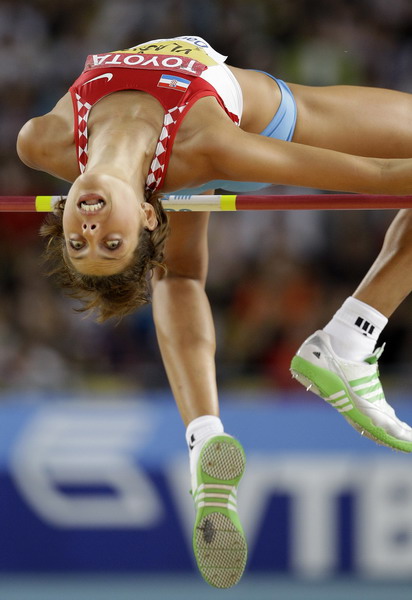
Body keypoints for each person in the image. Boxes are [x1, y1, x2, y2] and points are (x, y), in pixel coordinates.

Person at [16, 35, 412, 587]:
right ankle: (350, 339)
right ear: (150, 219)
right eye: (111, 244)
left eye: (80, 244)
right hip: (259, 129)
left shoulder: (43, 141)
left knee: (179, 273)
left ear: (61, 215)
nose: (90, 232)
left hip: (184, 148)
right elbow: (380, 178)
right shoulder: (209, 150)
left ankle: (204, 438)